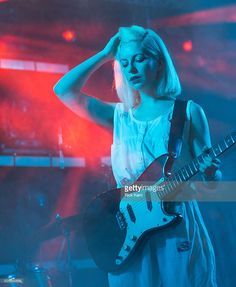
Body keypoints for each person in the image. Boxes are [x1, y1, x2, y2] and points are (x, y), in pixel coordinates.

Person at [54, 25, 222, 287]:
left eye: (139, 59)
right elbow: (63, 90)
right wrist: (105, 54)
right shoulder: (120, 115)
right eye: (124, 63)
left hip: (175, 228)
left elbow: (212, 184)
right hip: (128, 232)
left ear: (158, 62)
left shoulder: (188, 112)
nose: (130, 68)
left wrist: (212, 172)